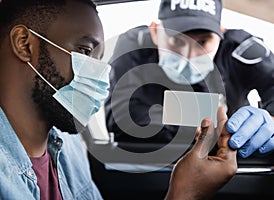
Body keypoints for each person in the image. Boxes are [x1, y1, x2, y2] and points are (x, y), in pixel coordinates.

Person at [0, 0, 237, 199]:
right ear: (24, 44)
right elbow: (128, 116)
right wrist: (183, 194)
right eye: (85, 51)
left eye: (99, 57)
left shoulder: (68, 146)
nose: (99, 72)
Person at [105, 0, 274, 158]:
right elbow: (119, 115)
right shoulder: (134, 45)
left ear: (221, 34)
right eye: (177, 40)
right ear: (155, 32)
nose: (189, 54)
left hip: (230, 158)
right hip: (151, 161)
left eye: (203, 42)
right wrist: (194, 124)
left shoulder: (240, 48)